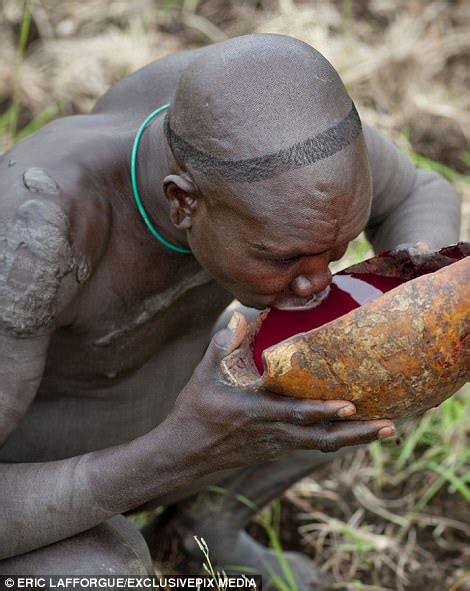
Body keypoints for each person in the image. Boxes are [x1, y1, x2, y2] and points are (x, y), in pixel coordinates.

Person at [0, 34, 460, 588]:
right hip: (35, 493)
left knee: (362, 374)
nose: (318, 283)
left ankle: (202, 531)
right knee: (102, 574)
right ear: (183, 202)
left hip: (173, 427)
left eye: (333, 255)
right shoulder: (35, 236)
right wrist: (181, 451)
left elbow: (416, 192)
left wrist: (405, 315)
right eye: (285, 257)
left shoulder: (282, 131)